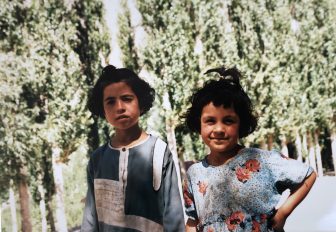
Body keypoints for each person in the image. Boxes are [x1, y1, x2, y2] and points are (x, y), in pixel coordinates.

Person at [183, 66, 316, 232]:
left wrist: (282, 214)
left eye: (228, 121)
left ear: (241, 124)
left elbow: (308, 174)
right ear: (199, 124)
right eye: (210, 121)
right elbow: (193, 221)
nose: (218, 129)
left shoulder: (261, 161)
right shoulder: (194, 174)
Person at [81, 65, 184, 232]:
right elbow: (90, 219)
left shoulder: (158, 151)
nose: (120, 107)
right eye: (111, 102)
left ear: (141, 104)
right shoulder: (97, 159)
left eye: (127, 99)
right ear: (103, 110)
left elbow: (174, 215)